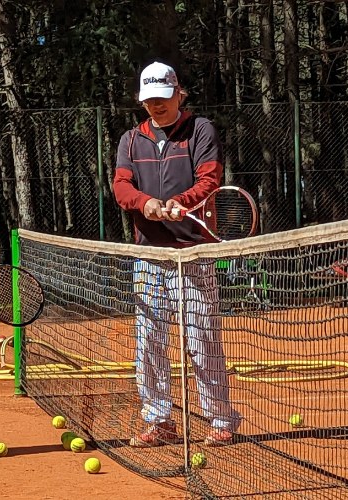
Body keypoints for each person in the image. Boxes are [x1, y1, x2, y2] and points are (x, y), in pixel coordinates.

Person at [113, 62, 241, 447]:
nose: (156, 106)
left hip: (194, 253)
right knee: (149, 340)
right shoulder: (131, 141)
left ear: (178, 93)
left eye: (163, 99)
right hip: (149, 256)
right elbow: (121, 187)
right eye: (149, 100)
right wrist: (147, 204)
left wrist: (180, 203)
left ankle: (220, 419)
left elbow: (210, 178)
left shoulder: (200, 130)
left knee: (202, 339)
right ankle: (159, 420)